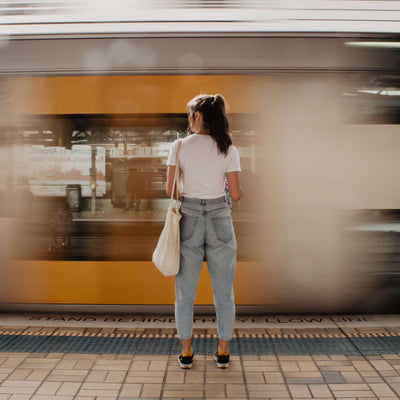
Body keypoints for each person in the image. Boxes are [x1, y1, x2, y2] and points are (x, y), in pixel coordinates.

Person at [166, 94, 242, 369]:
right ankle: (222, 352)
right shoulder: (228, 148)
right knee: (224, 292)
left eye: (190, 114)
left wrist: (191, 191)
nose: (189, 119)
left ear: (197, 116)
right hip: (220, 218)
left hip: (190, 219)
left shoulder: (178, 146)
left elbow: (170, 190)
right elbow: (236, 194)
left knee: (185, 292)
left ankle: (187, 352)